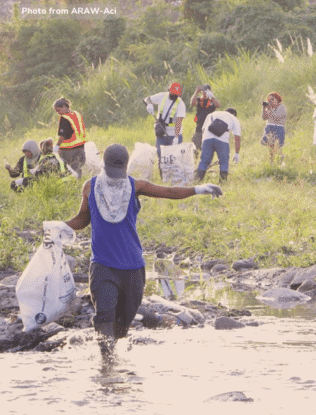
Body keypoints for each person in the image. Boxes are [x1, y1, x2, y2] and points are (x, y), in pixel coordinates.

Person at [56, 143, 222, 364]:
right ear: (103, 166)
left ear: (125, 167)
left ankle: (113, 356)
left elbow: (169, 192)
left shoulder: (135, 186)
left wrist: (199, 189)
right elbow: (82, 219)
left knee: (123, 324)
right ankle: (108, 367)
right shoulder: (90, 186)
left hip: (133, 267)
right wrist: (58, 226)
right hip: (103, 266)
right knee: (104, 316)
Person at [144, 82, 186, 175]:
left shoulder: (180, 104)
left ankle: (174, 177)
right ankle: (163, 177)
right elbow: (147, 99)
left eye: (177, 94)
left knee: (175, 158)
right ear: (169, 90)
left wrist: (176, 137)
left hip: (174, 134)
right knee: (161, 155)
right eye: (173, 94)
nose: (175, 96)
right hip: (161, 133)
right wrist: (149, 104)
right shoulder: (161, 96)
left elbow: (179, 121)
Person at [195, 108, 241, 182]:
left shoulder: (212, 114)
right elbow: (237, 138)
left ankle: (197, 180)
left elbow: (203, 129)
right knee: (224, 162)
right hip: (222, 141)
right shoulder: (234, 118)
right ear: (234, 115)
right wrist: (236, 153)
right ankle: (222, 182)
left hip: (207, 138)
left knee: (204, 161)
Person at [53, 97, 87, 178]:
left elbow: (62, 136)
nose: (58, 113)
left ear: (64, 107)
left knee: (67, 169)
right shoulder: (76, 114)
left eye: (58, 110)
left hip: (69, 150)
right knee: (76, 167)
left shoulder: (64, 118)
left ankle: (69, 183)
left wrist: (57, 146)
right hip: (81, 148)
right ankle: (78, 183)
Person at [189, 84, 221, 155]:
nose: (204, 93)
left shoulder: (212, 101)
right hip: (199, 127)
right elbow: (192, 103)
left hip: (209, 127)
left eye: (206, 91)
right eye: (203, 91)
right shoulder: (199, 100)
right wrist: (196, 92)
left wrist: (211, 96)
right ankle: (195, 159)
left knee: (207, 148)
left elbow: (218, 105)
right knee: (194, 145)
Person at [261, 92, 287, 163]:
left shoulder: (281, 107)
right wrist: (264, 109)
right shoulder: (269, 108)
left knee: (279, 147)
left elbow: (276, 119)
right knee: (271, 147)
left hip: (279, 127)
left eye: (272, 99)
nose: (271, 101)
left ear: (277, 99)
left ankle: (280, 161)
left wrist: (269, 109)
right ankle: (272, 161)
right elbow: (264, 118)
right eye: (269, 100)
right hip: (270, 127)